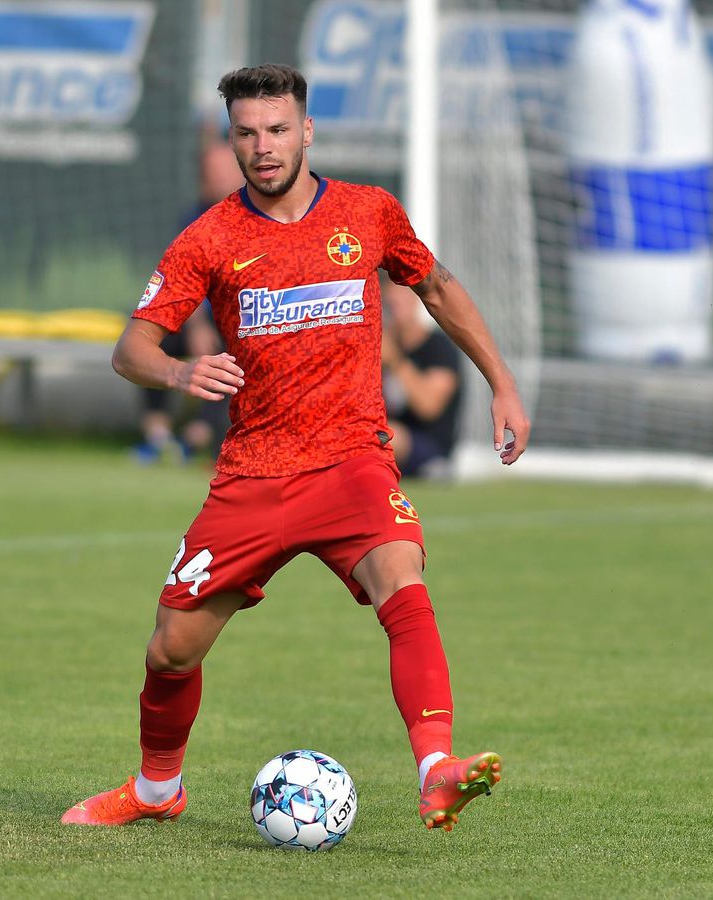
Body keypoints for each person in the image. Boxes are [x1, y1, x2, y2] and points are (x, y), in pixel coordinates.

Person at [62, 64, 530, 832]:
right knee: (171, 650)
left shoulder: (368, 212)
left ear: (306, 130)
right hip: (253, 475)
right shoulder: (209, 237)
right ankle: (154, 793)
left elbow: (439, 288)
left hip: (352, 461)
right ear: (232, 140)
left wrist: (502, 383)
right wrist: (181, 369)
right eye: (246, 133)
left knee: (402, 578)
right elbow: (129, 348)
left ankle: (436, 767)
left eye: (277, 130)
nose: (263, 147)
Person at [133, 138, 241, 464]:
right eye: (211, 171)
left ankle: (200, 435)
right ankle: (158, 438)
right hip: (195, 317)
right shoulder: (193, 218)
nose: (217, 178)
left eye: (224, 169)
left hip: (239, 321)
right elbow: (180, 279)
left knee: (235, 358)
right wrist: (195, 324)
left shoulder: (255, 216)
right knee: (147, 345)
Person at [381, 273, 464, 479]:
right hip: (388, 434)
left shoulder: (438, 347)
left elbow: (429, 406)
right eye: (391, 304)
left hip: (429, 446)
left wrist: (396, 362)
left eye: (402, 302)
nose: (396, 311)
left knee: (386, 435)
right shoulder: (380, 345)